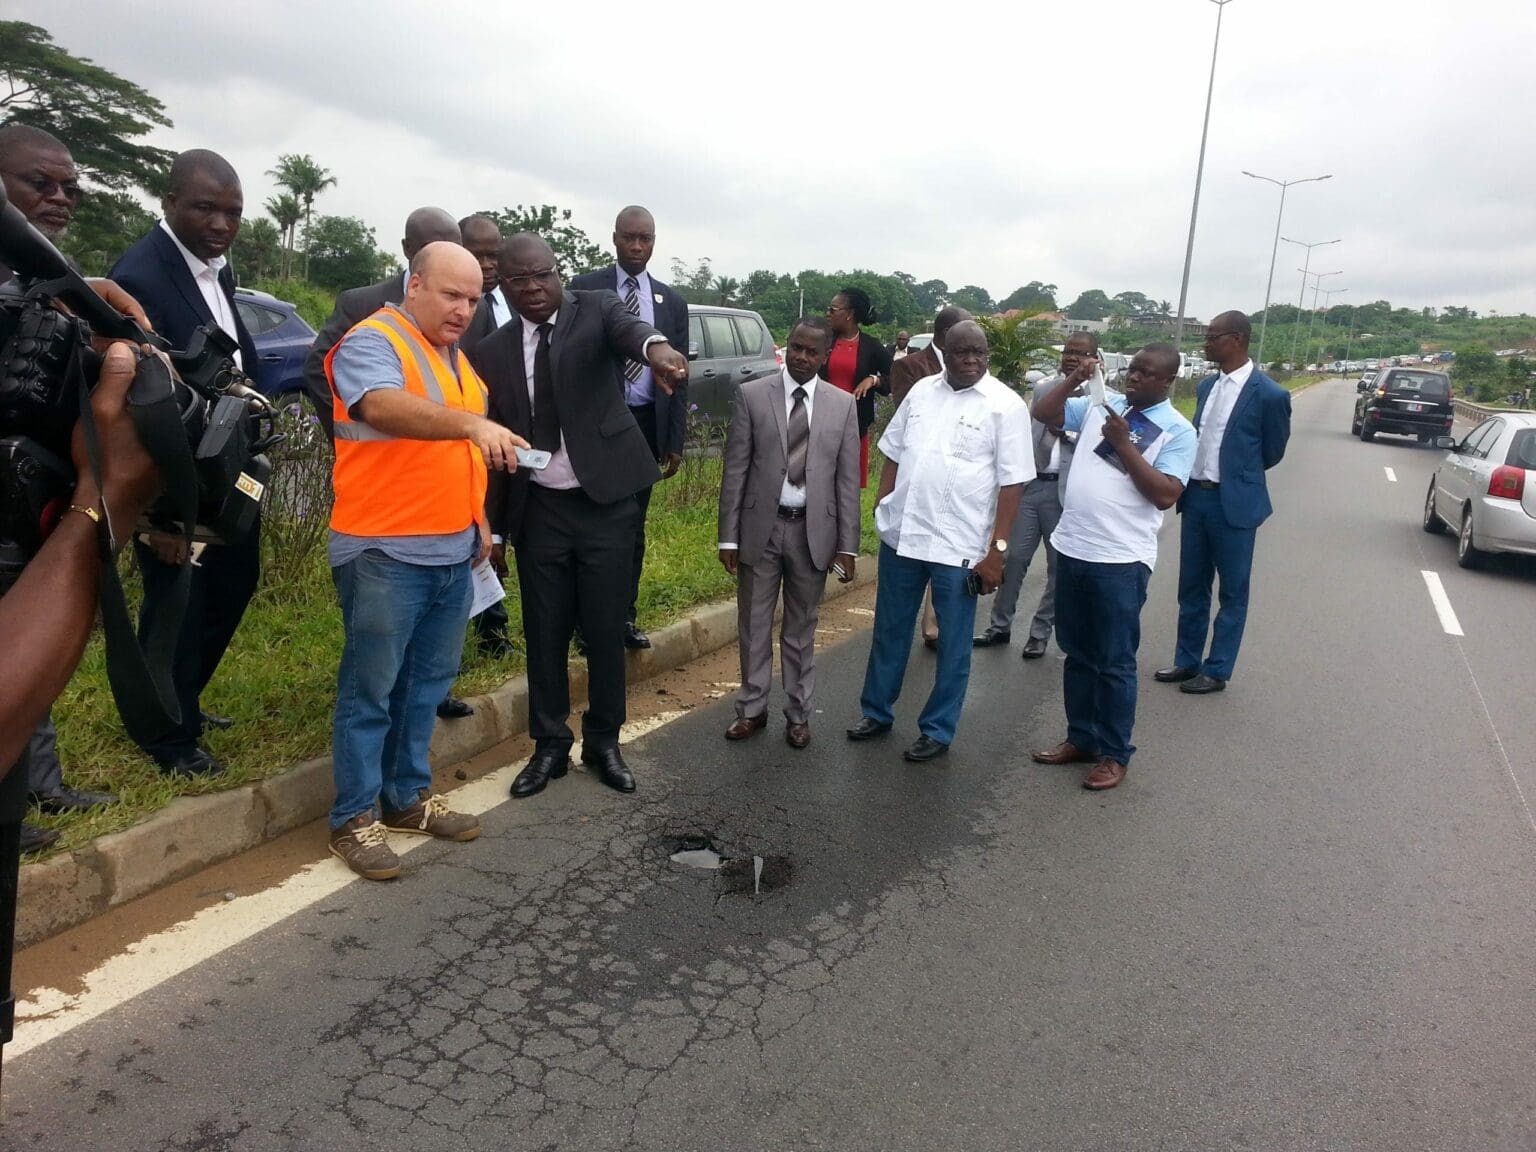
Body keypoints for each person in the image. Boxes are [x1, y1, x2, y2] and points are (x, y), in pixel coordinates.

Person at [322, 242, 528, 880]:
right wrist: (472, 427)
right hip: (384, 548)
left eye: (472, 298)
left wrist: (480, 524)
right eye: (450, 294)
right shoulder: (373, 341)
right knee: (371, 690)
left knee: (425, 687)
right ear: (413, 285)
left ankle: (407, 796)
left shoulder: (454, 359)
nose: (463, 309)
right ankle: (354, 818)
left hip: (451, 549)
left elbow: (456, 454)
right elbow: (380, 406)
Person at [474, 235, 689, 800]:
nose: (534, 288)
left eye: (543, 275)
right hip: (539, 507)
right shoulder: (492, 351)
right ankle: (548, 745)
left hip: (605, 504)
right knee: (544, 631)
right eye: (520, 280)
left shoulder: (594, 309)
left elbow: (635, 332)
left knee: (603, 627)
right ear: (504, 285)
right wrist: (494, 527)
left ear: (557, 273)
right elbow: (493, 451)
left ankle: (603, 741)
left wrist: (659, 352)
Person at [108, 149, 261, 779]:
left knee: (232, 582)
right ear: (169, 202)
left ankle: (183, 698)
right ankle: (168, 738)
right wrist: (159, 515)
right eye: (205, 207)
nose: (221, 223)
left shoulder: (215, 271)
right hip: (174, 482)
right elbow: (137, 402)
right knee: (177, 603)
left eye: (232, 211)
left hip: (221, 465)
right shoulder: (141, 276)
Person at [0, 124, 120, 852]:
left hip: (28, 496)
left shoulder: (51, 279)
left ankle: (37, 782)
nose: (60, 197)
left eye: (70, 186)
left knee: (29, 630)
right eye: (39, 183)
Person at [848, 321, 1032, 762]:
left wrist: (997, 552)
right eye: (962, 352)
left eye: (980, 353)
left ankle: (937, 728)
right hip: (904, 535)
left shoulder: (1005, 407)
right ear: (943, 351)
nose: (972, 361)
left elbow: (1013, 485)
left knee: (952, 640)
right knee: (890, 629)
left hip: (960, 547)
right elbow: (894, 449)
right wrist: (883, 502)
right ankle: (877, 711)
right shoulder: (922, 391)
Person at [1030, 344, 1197, 791]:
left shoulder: (1177, 430)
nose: (1135, 378)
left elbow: (1165, 495)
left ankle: (1114, 752)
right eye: (1133, 369)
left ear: (1167, 382)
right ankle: (1080, 738)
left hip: (1121, 561)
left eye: (1147, 373)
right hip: (1073, 546)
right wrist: (1073, 381)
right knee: (1077, 652)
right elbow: (1044, 410)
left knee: (1114, 660)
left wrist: (1124, 445)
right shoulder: (1101, 405)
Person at [718, 318, 859, 749]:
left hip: (812, 534)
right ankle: (752, 709)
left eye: (811, 351)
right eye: (796, 347)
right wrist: (728, 537)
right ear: (787, 347)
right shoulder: (753, 395)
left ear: (825, 355)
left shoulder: (842, 405)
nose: (801, 356)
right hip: (761, 528)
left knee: (801, 629)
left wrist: (848, 545)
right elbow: (736, 468)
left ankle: (799, 714)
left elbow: (847, 480)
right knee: (754, 625)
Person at [570, 206, 690, 650]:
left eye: (646, 239)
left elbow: (680, 374)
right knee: (594, 526)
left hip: (644, 426)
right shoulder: (585, 289)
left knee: (632, 528)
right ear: (614, 238)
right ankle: (587, 625)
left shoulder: (671, 302)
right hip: (598, 426)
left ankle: (623, 617)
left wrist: (673, 439)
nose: (637, 247)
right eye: (629, 238)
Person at [1156, 311, 1291, 694]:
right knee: (1192, 586)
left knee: (1232, 590)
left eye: (1213, 337)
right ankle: (1187, 660)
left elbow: (1272, 451)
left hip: (1234, 503)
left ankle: (1217, 669)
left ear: (1237, 339)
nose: (1206, 343)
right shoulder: (1205, 387)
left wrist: (1235, 475)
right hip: (1196, 497)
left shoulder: (1269, 394)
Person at [974, 336, 1098, 658]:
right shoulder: (1044, 390)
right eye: (1068, 351)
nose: (1072, 358)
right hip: (1032, 486)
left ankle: (1040, 632)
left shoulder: (1099, 399)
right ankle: (999, 626)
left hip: (1065, 491)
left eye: (1080, 353)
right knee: (1013, 558)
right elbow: (1031, 431)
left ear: (1094, 358)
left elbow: (1097, 446)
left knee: (1058, 568)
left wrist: (1068, 434)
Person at [302, 207, 464, 441]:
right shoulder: (359, 304)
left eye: (454, 249)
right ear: (407, 248)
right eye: (433, 247)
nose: (445, 258)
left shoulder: (473, 311)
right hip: (381, 463)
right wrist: (350, 434)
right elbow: (318, 371)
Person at [889, 304, 971, 647]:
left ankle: (934, 627)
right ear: (944, 334)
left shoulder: (972, 365)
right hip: (918, 476)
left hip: (957, 478)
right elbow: (902, 426)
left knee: (945, 559)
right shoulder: (910, 367)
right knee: (911, 564)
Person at [823, 287, 892, 487]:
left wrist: (874, 380)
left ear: (849, 314)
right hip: (819, 423)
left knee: (847, 486)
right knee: (819, 481)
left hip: (854, 427)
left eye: (833, 309)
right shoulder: (823, 339)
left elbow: (896, 375)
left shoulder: (871, 346)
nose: (828, 313)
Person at [457, 214, 506, 356]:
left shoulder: (521, 301)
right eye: (476, 256)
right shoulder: (445, 308)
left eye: (493, 256)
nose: (486, 265)